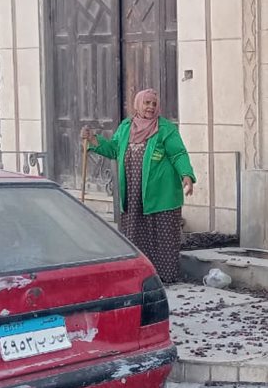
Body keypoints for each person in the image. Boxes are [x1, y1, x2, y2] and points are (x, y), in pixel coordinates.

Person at [81, 89, 196, 284]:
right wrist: (93, 139)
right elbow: (114, 149)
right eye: (147, 103)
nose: (150, 107)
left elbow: (178, 154)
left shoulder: (165, 129)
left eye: (154, 104)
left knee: (162, 235)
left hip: (161, 192)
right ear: (138, 104)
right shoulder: (126, 127)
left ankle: (164, 277)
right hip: (133, 194)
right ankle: (140, 277)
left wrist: (186, 174)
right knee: (135, 234)